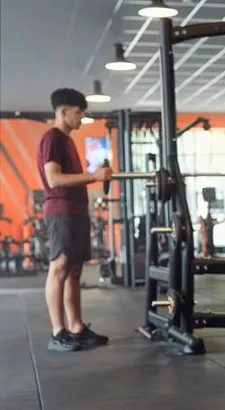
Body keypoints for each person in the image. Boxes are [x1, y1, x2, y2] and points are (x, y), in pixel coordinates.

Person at [37, 88, 113, 351]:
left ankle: (77, 327)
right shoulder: (52, 138)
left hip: (76, 211)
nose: (81, 117)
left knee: (74, 270)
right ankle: (58, 332)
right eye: (78, 112)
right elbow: (54, 179)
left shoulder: (67, 141)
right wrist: (94, 176)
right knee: (59, 268)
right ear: (64, 111)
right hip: (62, 211)